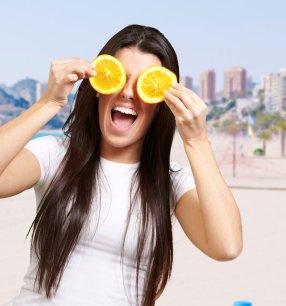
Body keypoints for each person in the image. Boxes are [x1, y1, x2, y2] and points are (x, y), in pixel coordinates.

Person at [0, 25, 243, 306]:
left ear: (161, 101)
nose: (128, 93)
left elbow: (227, 246)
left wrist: (197, 141)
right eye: (119, 78)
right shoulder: (56, 154)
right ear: (98, 86)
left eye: (144, 84)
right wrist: (49, 102)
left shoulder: (171, 183)